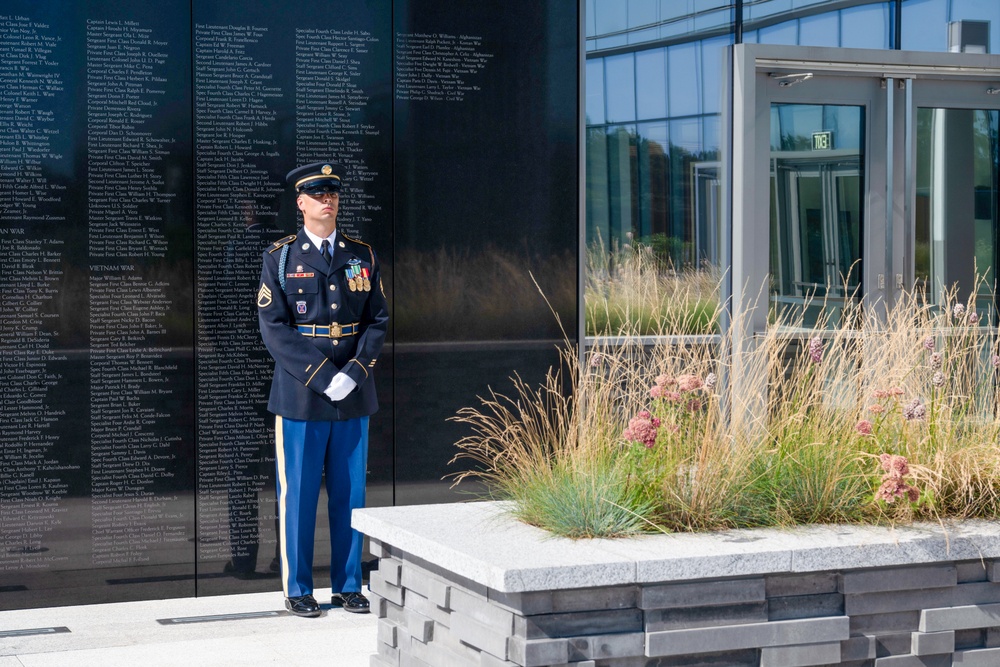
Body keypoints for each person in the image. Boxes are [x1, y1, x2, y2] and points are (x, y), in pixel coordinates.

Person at [256, 161, 389, 617]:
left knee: (350, 493)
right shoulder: (281, 257)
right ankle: (298, 589)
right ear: (301, 203)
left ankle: (349, 584)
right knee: (299, 495)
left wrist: (353, 371)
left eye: (332, 193)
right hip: (301, 395)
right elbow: (274, 329)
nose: (326, 200)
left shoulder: (362, 254)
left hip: (353, 392)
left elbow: (377, 320)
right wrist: (322, 376)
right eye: (316, 194)